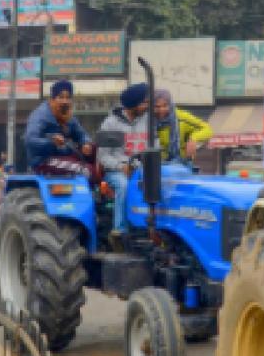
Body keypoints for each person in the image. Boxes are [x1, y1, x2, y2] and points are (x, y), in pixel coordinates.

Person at [98, 82, 151, 249]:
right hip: (116, 171)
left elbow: (155, 149)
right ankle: (119, 231)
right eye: (143, 102)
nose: (147, 105)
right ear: (132, 105)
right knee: (124, 184)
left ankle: (152, 228)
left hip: (142, 169)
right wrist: (122, 166)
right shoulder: (111, 124)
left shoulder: (149, 121)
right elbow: (103, 156)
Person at [24, 80, 95, 180]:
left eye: (68, 97)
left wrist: (86, 143)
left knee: (95, 153)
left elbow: (81, 134)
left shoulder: (69, 117)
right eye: (61, 97)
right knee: (85, 171)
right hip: (44, 160)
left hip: (64, 156)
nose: (65, 101)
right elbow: (30, 140)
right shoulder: (40, 116)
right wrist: (51, 142)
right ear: (52, 99)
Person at [152, 89, 212, 163]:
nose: (161, 110)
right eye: (157, 107)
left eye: (165, 105)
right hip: (154, 165)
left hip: (181, 165)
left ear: (170, 104)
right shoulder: (147, 121)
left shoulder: (181, 117)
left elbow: (207, 129)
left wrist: (193, 139)